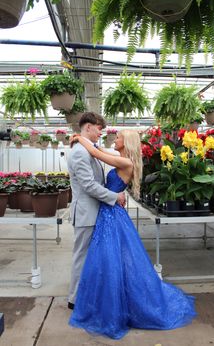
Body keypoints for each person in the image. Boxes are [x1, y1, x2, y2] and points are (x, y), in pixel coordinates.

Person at [69, 129, 197, 340]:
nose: (115, 139)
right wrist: (85, 140)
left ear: (126, 142)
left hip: (111, 214)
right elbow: (99, 150)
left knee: (111, 259)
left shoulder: (126, 163)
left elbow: (98, 153)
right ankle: (110, 298)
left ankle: (113, 303)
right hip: (109, 211)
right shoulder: (122, 159)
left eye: (118, 137)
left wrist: (79, 138)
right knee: (108, 259)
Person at [67, 112, 126, 310]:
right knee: (81, 256)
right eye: (99, 129)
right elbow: (89, 186)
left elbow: (104, 157)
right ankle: (74, 299)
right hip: (86, 213)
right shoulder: (79, 152)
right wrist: (114, 196)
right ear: (89, 127)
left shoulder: (87, 149)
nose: (101, 133)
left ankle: (85, 295)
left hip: (93, 211)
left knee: (89, 256)